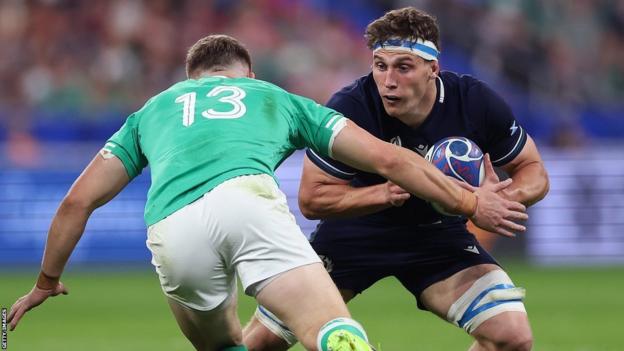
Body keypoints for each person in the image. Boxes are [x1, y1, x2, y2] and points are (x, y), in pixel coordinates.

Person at [7, 34, 526, 351]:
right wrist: (470, 202)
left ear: (192, 79)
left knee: (227, 345)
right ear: (248, 75)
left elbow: (78, 201)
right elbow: (390, 159)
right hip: (249, 205)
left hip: (171, 227)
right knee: (328, 329)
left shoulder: (152, 111)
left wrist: (46, 281)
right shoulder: (275, 97)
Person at [243, 7, 549, 351]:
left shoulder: (473, 101)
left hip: (438, 237)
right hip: (354, 236)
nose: (389, 81)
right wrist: (384, 193)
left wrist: (501, 201)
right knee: (260, 342)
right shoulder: (352, 107)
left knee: (512, 338)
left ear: (433, 68)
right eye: (380, 66)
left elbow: (533, 169)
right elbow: (313, 199)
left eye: (403, 67)